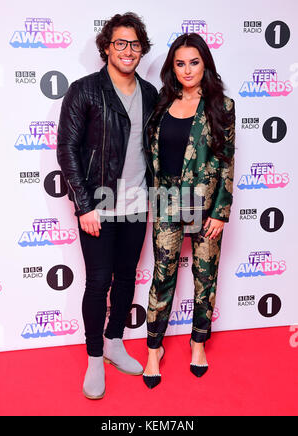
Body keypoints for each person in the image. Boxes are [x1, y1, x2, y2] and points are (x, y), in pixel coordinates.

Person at [57, 12, 158, 399]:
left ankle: (115, 341)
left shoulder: (150, 93)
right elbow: (66, 149)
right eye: (120, 43)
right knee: (99, 281)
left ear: (141, 49)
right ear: (106, 47)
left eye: (134, 44)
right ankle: (95, 357)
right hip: (97, 204)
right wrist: (84, 204)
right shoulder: (84, 91)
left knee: (127, 276)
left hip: (136, 203)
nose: (128, 50)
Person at [142, 33, 235, 389]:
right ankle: (154, 348)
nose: (187, 70)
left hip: (206, 205)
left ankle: (198, 343)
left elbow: (226, 161)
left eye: (194, 62)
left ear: (205, 64)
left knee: (204, 276)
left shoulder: (221, 106)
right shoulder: (161, 104)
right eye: (180, 63)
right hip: (166, 201)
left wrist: (220, 212)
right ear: (172, 67)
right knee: (162, 276)